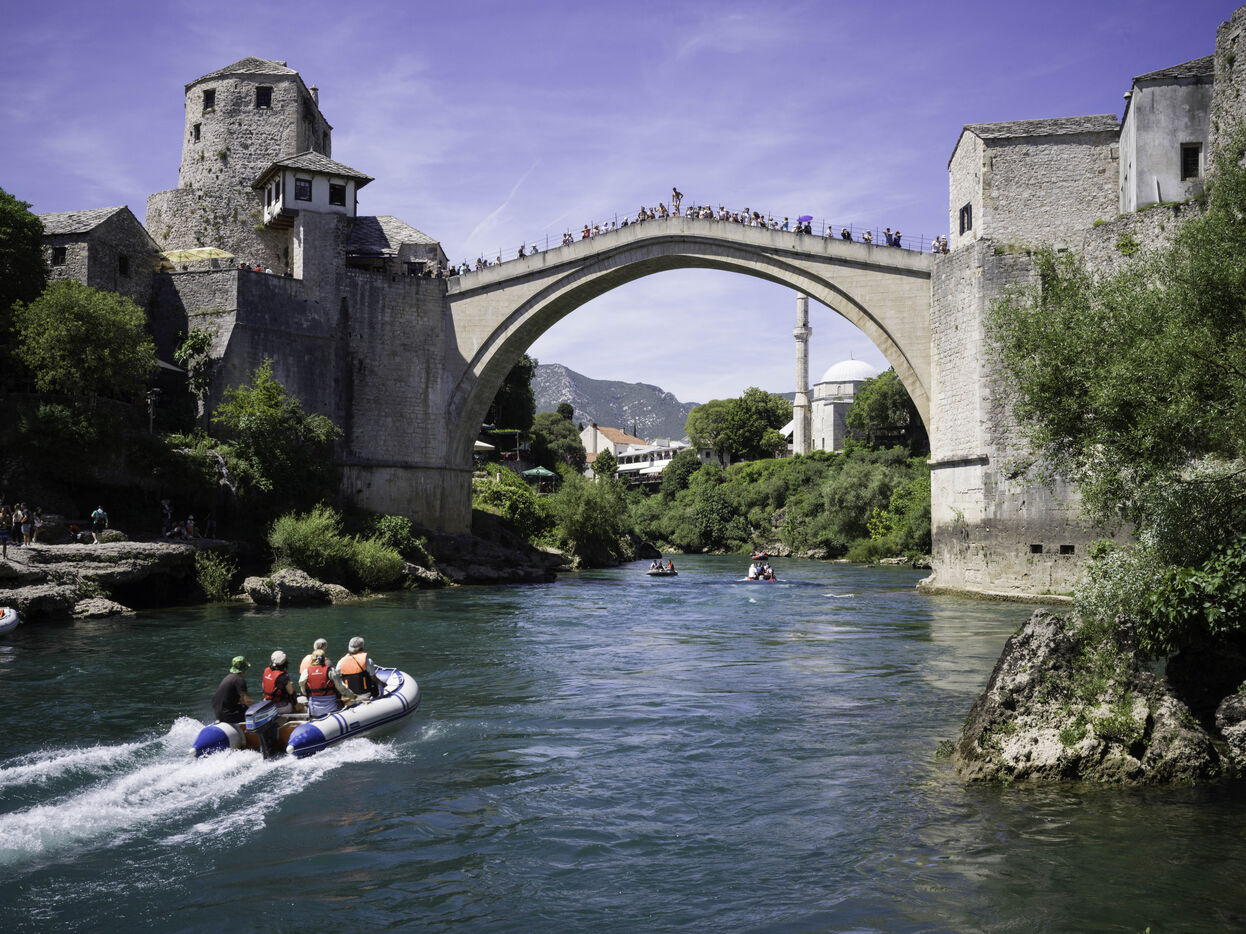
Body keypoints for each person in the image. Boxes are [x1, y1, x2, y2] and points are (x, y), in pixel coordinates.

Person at [300, 648, 355, 717]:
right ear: (324, 659)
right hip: (331, 709)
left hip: (313, 710)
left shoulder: (306, 672)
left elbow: (302, 686)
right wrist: (352, 696)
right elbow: (342, 688)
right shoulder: (330, 670)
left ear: (312, 659)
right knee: (347, 701)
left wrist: (306, 693)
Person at [211, 656, 253, 724]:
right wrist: (256, 707)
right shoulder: (239, 680)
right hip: (228, 715)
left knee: (243, 707)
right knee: (251, 712)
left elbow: (240, 700)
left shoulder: (228, 677)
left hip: (218, 713)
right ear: (244, 669)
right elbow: (247, 700)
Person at [262, 650, 297, 714]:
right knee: (300, 707)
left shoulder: (266, 670)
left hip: (266, 703)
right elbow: (291, 692)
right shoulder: (283, 675)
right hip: (278, 706)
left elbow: (264, 686)